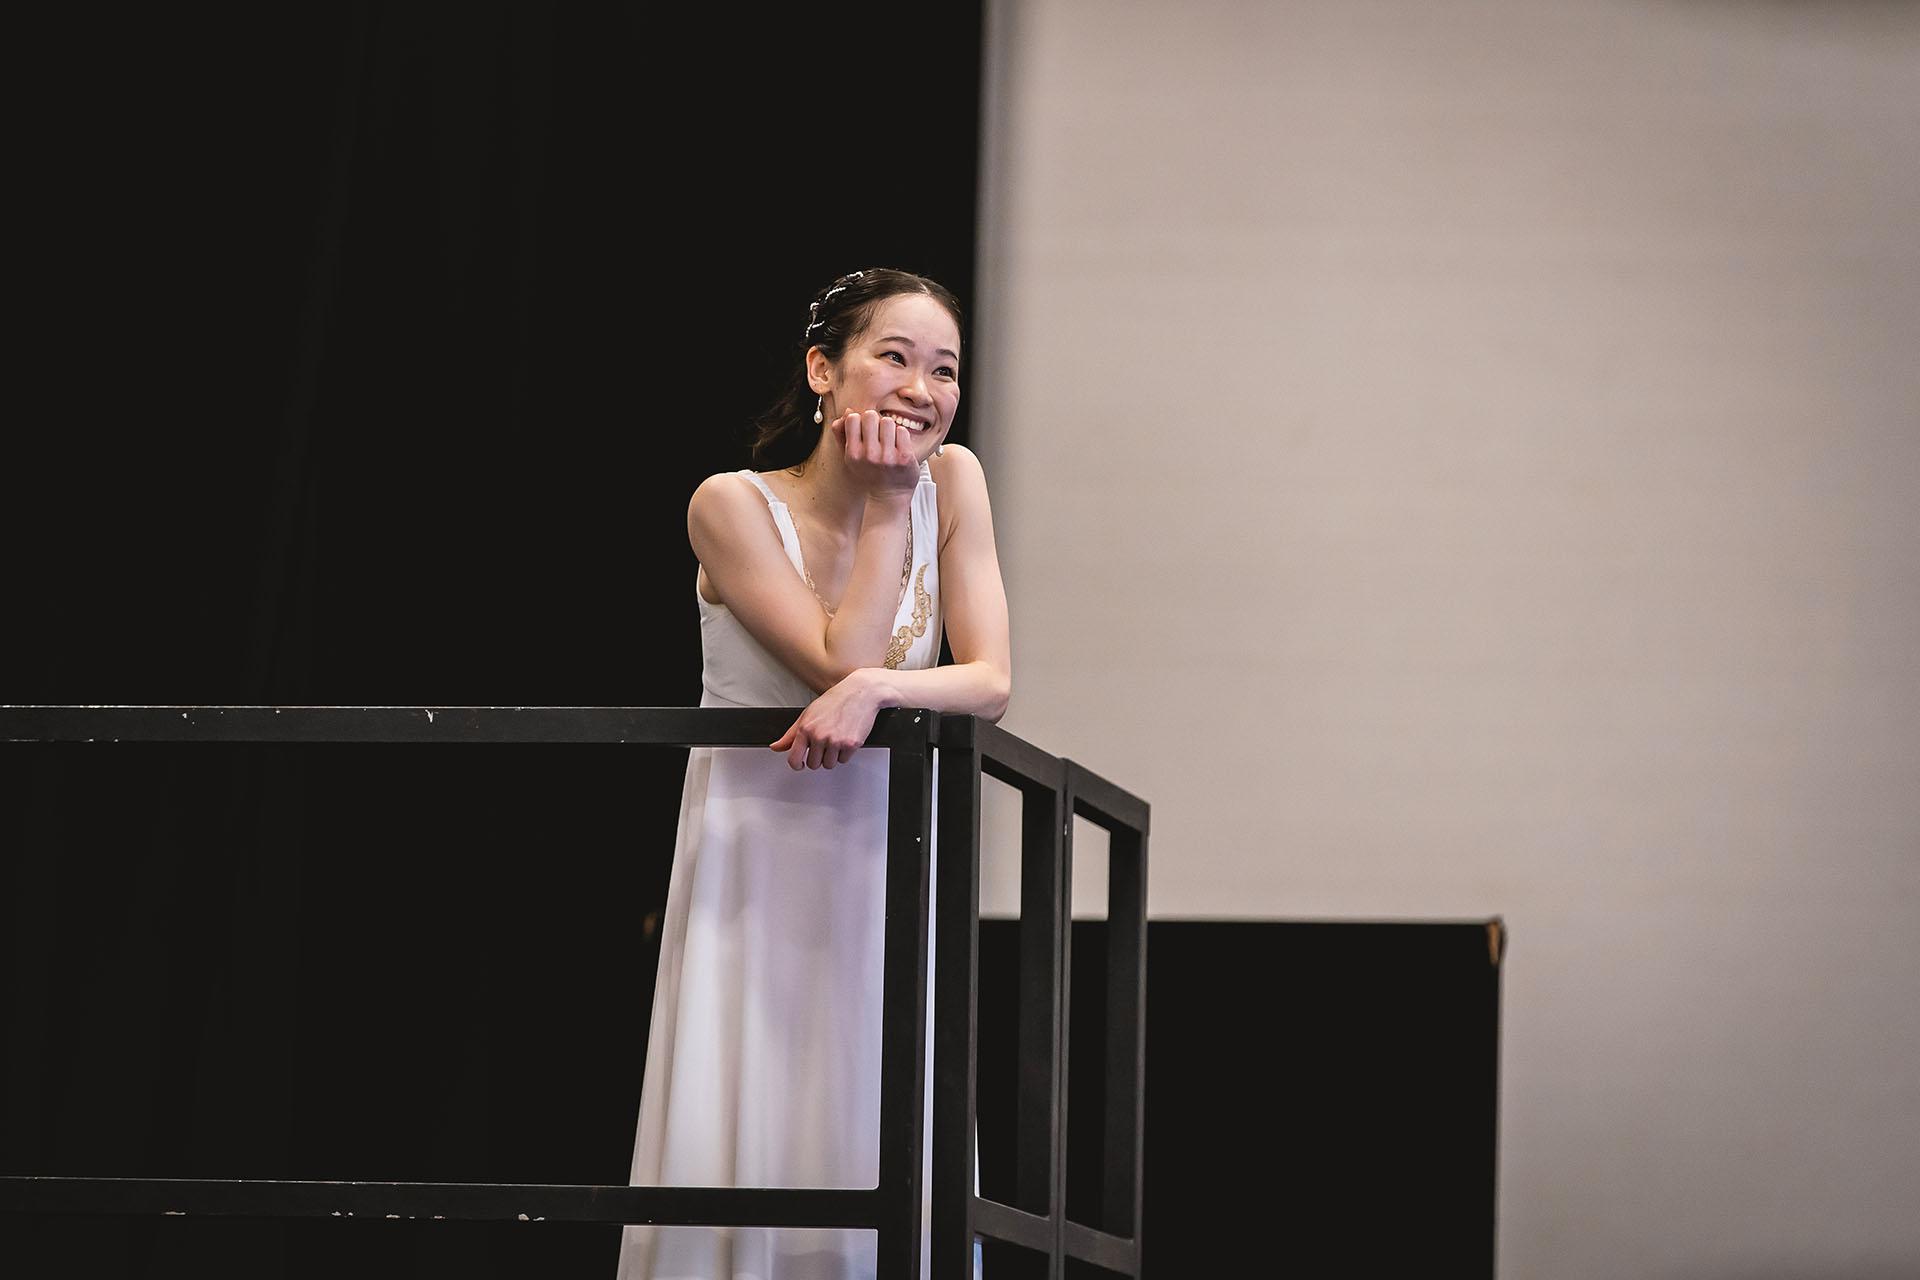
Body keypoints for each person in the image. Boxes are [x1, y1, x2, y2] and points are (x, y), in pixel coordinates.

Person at [617, 268, 1011, 1279]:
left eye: (945, 368)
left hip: (888, 855)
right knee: (750, 1109)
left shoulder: (954, 482)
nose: (923, 388)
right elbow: (836, 659)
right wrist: (886, 509)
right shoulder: (730, 505)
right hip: (757, 865)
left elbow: (992, 679)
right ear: (822, 371)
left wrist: (879, 688)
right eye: (895, 357)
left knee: (883, 1111)